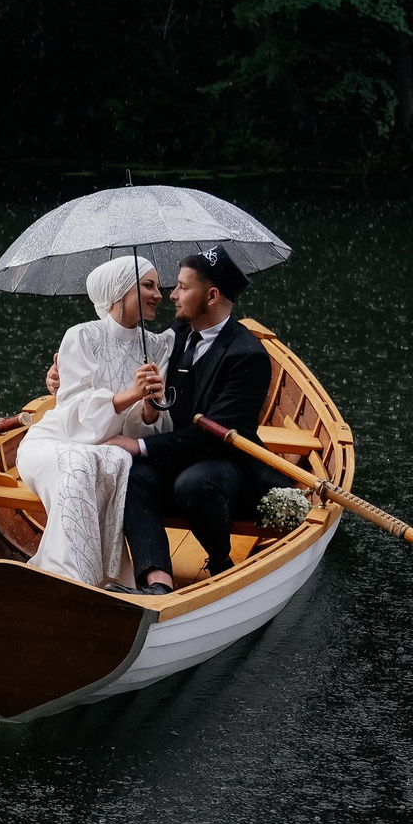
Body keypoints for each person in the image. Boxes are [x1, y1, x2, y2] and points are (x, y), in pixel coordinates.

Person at [100, 245, 285, 593]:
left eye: (183, 287)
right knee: (131, 476)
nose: (172, 295)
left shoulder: (248, 356)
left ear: (211, 295)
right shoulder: (178, 334)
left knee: (193, 483)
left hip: (227, 466)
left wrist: (138, 445)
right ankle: (158, 582)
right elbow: (120, 353)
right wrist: (64, 371)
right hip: (177, 458)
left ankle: (220, 563)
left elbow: (213, 436)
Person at [15, 256, 173, 589]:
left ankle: (99, 580)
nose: (159, 294)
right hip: (55, 441)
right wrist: (129, 394)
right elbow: (73, 416)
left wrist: (149, 406)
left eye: (159, 286)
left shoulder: (158, 347)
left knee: (114, 459)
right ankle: (72, 579)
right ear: (120, 292)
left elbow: (142, 432)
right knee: (80, 460)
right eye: (148, 285)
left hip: (108, 451)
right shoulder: (82, 336)